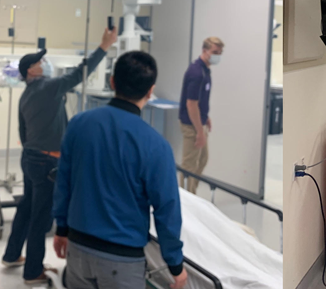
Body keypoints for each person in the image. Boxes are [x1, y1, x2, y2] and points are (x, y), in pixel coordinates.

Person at [52, 51, 188, 289]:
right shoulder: (155, 145)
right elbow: (167, 209)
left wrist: (61, 228)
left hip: (79, 249)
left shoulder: (79, 124)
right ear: (150, 90)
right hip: (122, 260)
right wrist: (175, 264)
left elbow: (64, 182)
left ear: (112, 82)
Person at [1, 26, 117, 284]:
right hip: (46, 162)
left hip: (30, 158)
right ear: (31, 70)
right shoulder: (49, 88)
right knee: (40, 219)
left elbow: (22, 131)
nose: (45, 63)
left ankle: (11, 255)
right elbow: (80, 73)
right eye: (41, 61)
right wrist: (104, 46)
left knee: (26, 208)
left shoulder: (27, 95)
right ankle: (32, 272)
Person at [179, 37, 223, 193]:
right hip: (191, 125)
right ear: (204, 51)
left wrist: (206, 116)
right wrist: (199, 131)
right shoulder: (196, 72)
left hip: (199, 121)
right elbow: (190, 104)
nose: (218, 55)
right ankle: (184, 199)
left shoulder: (205, 71)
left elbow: (199, 100)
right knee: (189, 165)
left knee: (202, 160)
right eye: (215, 52)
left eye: (220, 52)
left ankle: (192, 193)